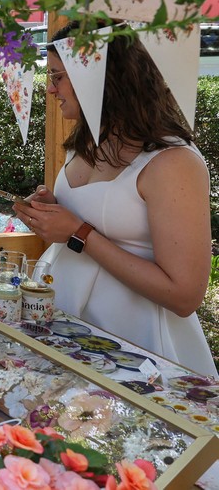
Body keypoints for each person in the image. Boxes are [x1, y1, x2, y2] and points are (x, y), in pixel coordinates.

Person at [14, 22, 216, 377]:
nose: (50, 89)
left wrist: (78, 232)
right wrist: (53, 212)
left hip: (134, 349)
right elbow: (89, 222)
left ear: (102, 77)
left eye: (58, 76)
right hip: (63, 324)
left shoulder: (174, 162)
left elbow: (185, 295)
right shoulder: (90, 141)